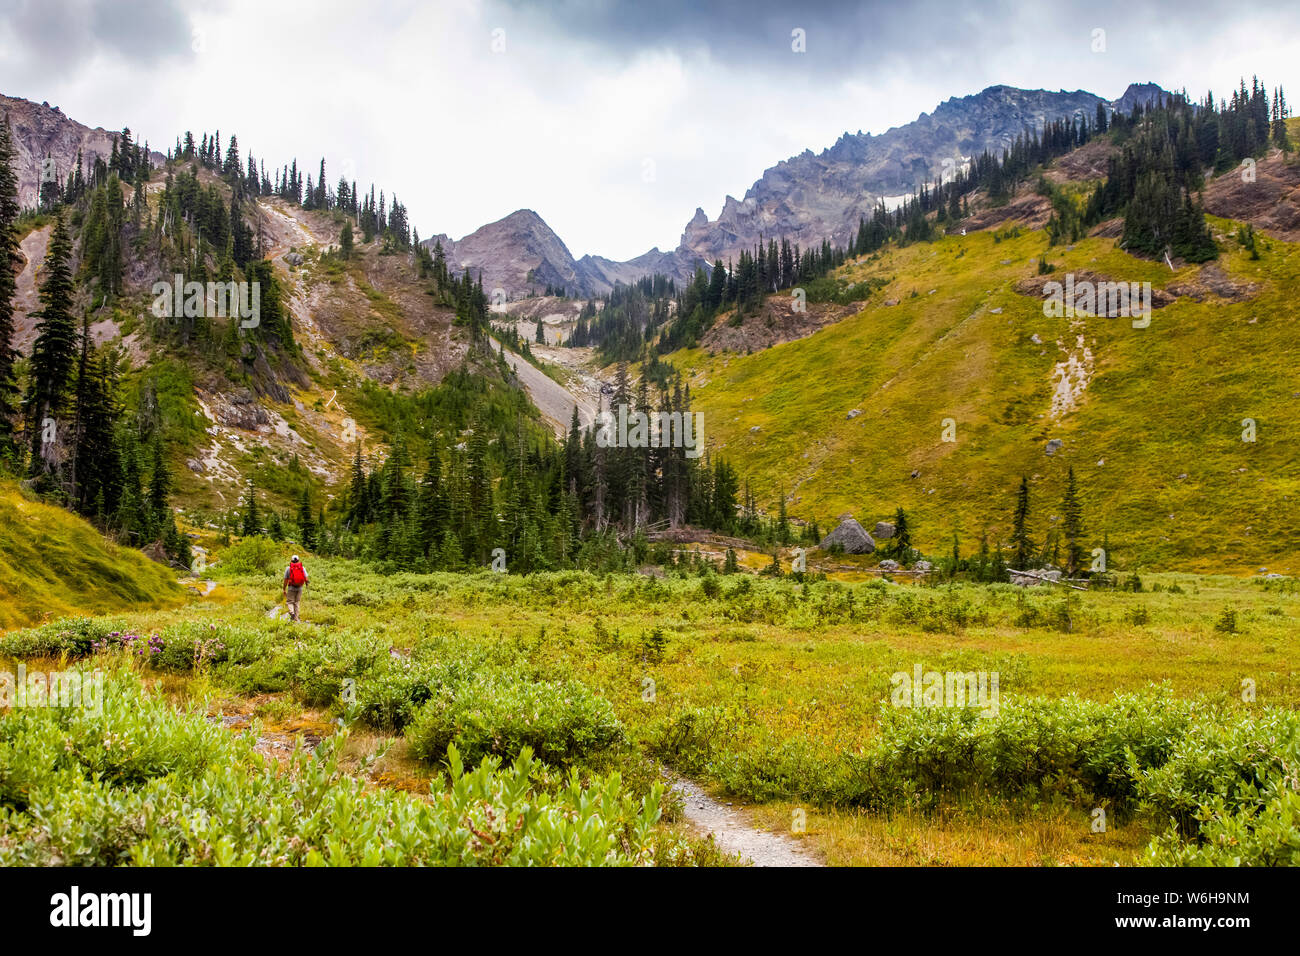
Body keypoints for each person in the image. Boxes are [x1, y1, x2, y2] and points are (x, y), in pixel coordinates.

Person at [282, 555, 309, 621]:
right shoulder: (302, 568)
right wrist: (307, 585)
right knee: (297, 603)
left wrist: (284, 589)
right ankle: (296, 619)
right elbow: (306, 578)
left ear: (291, 560)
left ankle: (292, 612)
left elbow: (286, 580)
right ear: (298, 560)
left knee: (290, 602)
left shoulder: (288, 568)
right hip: (300, 588)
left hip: (291, 588)